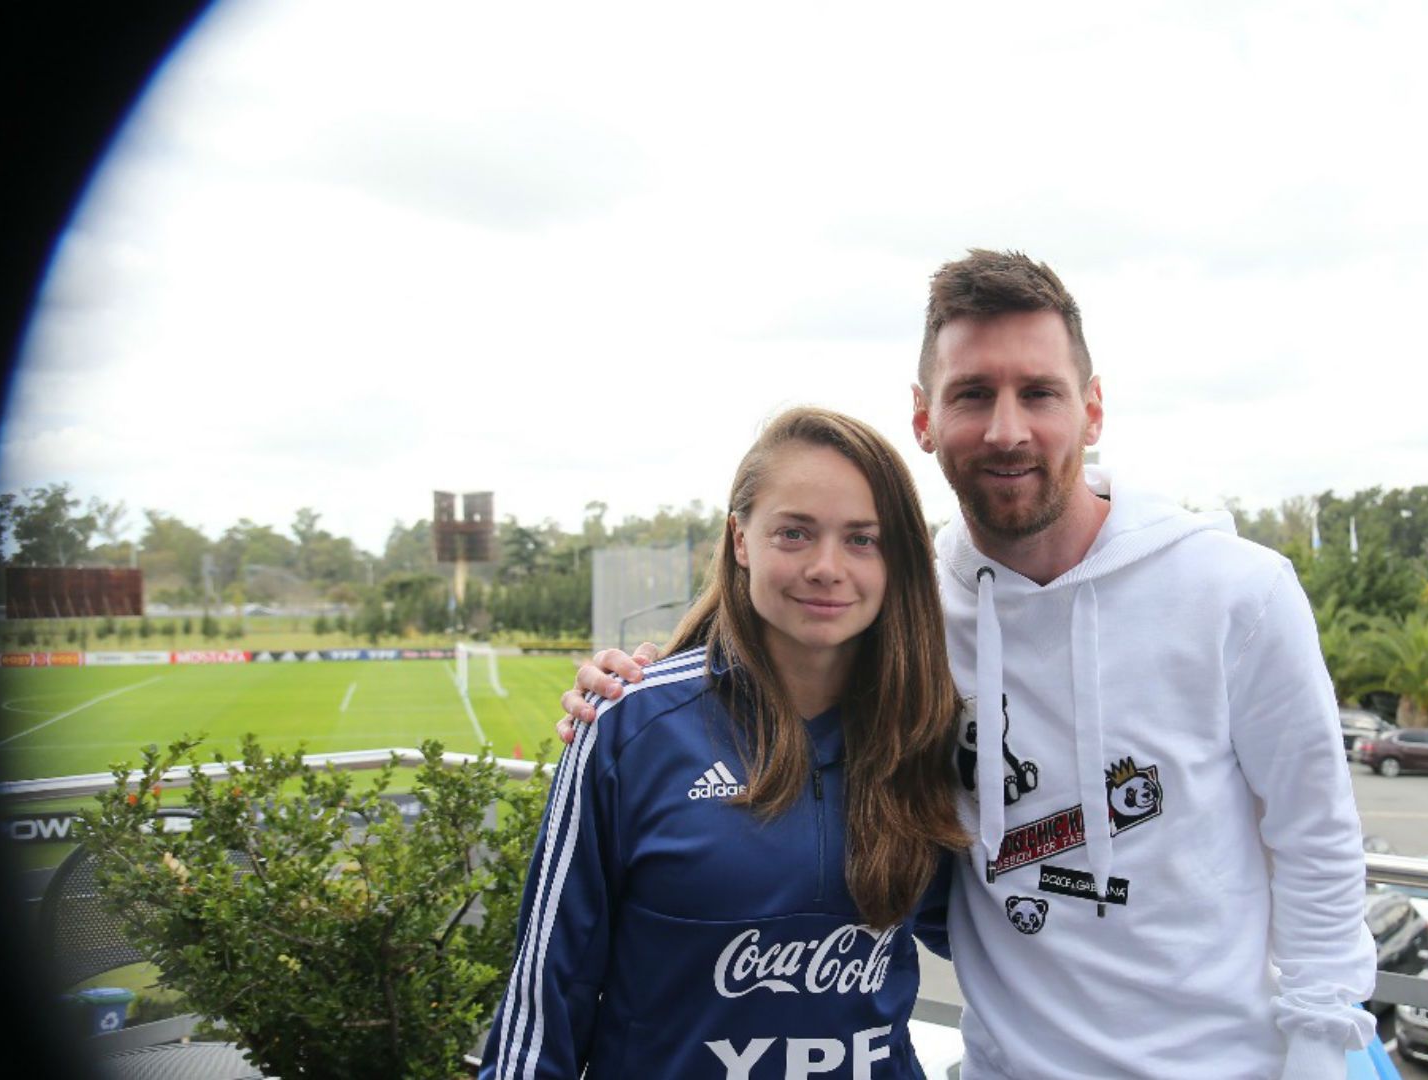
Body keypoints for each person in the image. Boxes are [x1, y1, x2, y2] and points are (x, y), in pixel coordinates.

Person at [564, 250, 1376, 1079]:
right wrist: (635, 687)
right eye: (973, 395)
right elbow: (769, 672)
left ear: (1092, 410)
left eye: (1040, 392)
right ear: (923, 419)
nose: (1007, 429)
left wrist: (1319, 1044)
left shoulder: (1238, 592)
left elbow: (1316, 837)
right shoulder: (908, 613)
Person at [480, 407, 968, 1080]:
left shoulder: (924, 730)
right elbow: (544, 1006)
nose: (828, 567)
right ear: (741, 540)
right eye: (794, 533)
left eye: (863, 539)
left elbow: (992, 930)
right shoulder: (631, 726)